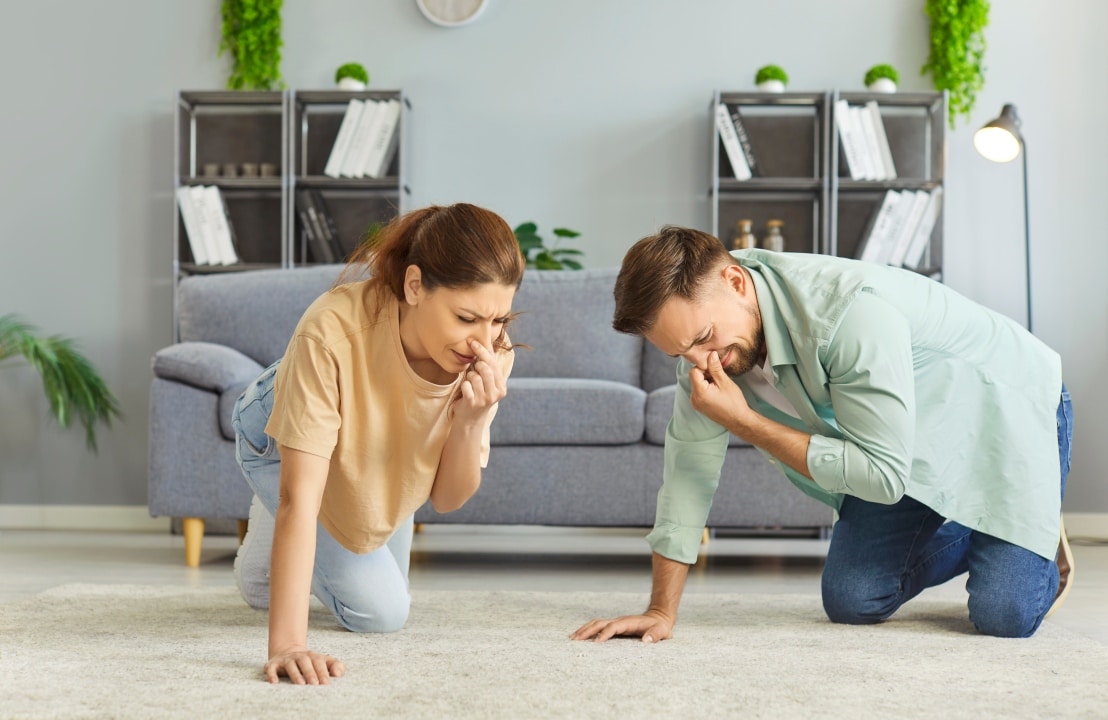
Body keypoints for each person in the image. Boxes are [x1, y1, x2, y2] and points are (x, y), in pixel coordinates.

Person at [572, 225, 1073, 643]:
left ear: (736, 281)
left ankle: (1029, 527)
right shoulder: (704, 351)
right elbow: (688, 474)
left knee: (1004, 614)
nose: (701, 363)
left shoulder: (848, 315)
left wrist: (744, 421)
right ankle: (985, 523)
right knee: (853, 599)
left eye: (704, 338)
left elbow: (881, 475)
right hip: (899, 446)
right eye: (680, 352)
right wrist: (661, 611)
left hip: (1003, 414)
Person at [232, 203, 525, 684]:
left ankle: (283, 517)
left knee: (389, 594)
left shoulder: (493, 353)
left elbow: (447, 499)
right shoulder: (331, 329)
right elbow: (299, 500)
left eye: (498, 320)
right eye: (466, 317)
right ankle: (275, 499)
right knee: (382, 613)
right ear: (415, 286)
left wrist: (469, 422)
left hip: (379, 440)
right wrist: (287, 646)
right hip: (277, 422)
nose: (482, 342)